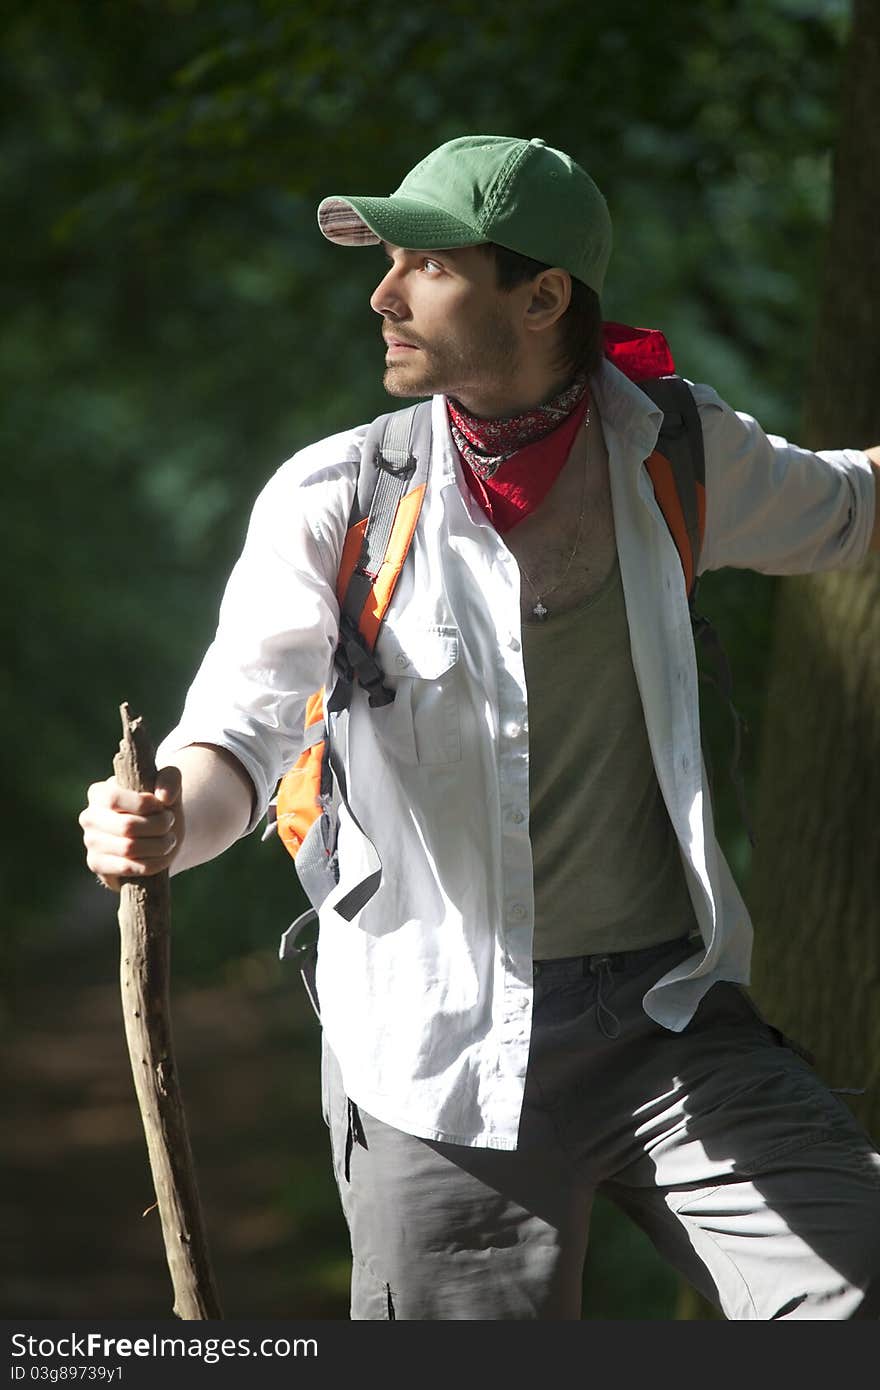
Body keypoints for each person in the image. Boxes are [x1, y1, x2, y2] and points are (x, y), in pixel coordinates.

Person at [80, 135, 880, 1320]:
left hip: (673, 1022)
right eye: (389, 262)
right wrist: (159, 824)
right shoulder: (334, 499)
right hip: (433, 1055)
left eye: (427, 265)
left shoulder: (679, 452)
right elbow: (241, 739)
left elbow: (853, 507)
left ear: (542, 297)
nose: (383, 293)